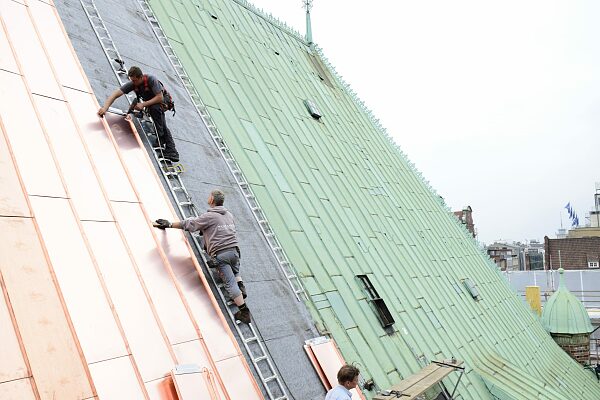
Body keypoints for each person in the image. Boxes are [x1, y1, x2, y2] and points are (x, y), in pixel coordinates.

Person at [154, 189, 251, 323]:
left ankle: (244, 311)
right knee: (235, 271)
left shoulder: (209, 217)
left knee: (230, 284)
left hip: (221, 254)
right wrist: (206, 232)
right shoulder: (229, 215)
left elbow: (190, 224)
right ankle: (241, 287)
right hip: (234, 251)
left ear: (212, 200)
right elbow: (222, 229)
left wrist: (170, 224)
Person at [97, 66, 179, 162]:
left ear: (141, 77)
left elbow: (160, 98)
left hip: (163, 102)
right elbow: (115, 94)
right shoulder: (134, 84)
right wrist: (105, 108)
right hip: (152, 104)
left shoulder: (151, 79)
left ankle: (169, 148)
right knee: (157, 117)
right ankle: (167, 146)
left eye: (135, 80)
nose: (133, 83)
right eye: (132, 80)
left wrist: (143, 104)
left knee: (156, 112)